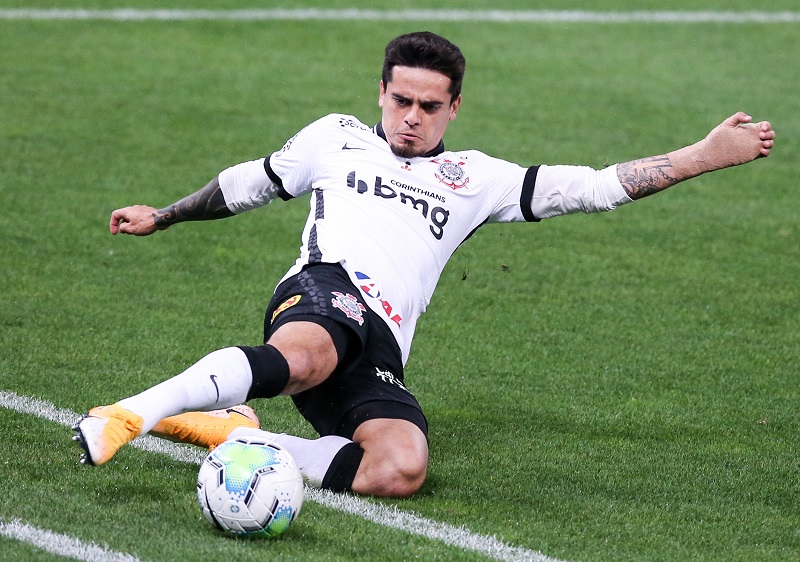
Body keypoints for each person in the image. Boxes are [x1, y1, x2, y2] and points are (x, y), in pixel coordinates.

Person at [73, 31, 775, 498]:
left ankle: (237, 433)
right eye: (401, 99)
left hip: (382, 342)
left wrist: (702, 156)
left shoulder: (476, 178)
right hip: (324, 292)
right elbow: (246, 184)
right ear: (380, 92)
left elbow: (592, 188)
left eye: (429, 106)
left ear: (454, 108)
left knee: (401, 467)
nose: (412, 116)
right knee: (311, 350)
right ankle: (129, 413)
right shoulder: (336, 138)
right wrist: (163, 214)